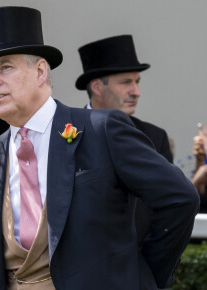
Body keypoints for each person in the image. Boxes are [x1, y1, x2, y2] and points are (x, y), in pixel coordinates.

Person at [0, 6, 199, 290]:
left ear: (41, 72)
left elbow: (180, 198)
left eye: (5, 67)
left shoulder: (100, 129)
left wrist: (139, 275)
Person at [76, 34, 172, 246]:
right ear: (97, 87)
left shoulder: (155, 138)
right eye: (126, 82)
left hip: (138, 269)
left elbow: (167, 208)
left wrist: (152, 269)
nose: (136, 92)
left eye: (137, 82)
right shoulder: (65, 134)